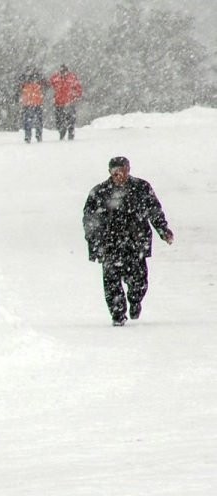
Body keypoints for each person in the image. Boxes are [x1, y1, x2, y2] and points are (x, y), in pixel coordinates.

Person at [83, 157, 174, 326]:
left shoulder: (141, 188)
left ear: (129, 169)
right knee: (111, 281)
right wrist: (94, 241)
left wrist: (163, 230)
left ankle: (135, 300)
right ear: (110, 172)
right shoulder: (99, 192)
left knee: (139, 279)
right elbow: (90, 219)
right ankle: (117, 314)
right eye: (117, 172)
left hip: (136, 241)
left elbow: (154, 210)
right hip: (110, 243)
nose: (121, 175)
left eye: (124, 171)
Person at [49, 64, 83, 140]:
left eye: (64, 71)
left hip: (68, 102)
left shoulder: (71, 78)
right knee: (59, 120)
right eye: (62, 71)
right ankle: (62, 131)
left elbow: (78, 89)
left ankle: (70, 133)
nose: (63, 72)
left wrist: (75, 97)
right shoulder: (57, 78)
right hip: (59, 103)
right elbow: (50, 83)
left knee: (70, 120)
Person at [17, 67, 47, 143]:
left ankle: (31, 135)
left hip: (31, 103)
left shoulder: (25, 80)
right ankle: (33, 135)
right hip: (33, 103)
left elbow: (46, 85)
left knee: (29, 121)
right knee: (32, 121)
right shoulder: (36, 80)